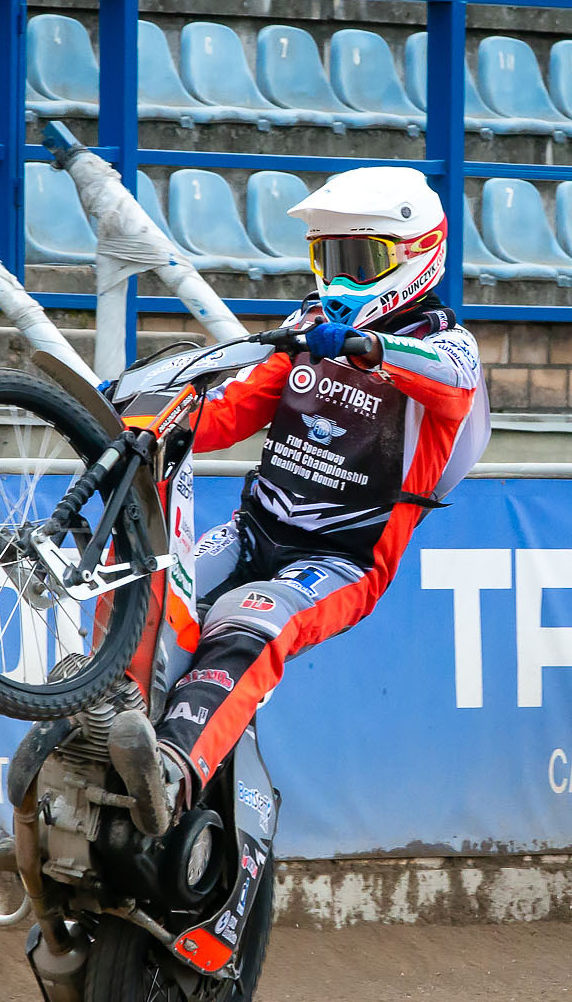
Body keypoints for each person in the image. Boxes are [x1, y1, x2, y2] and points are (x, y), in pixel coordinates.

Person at [109, 166, 489, 836]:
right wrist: (145, 414)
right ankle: (90, 742)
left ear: (417, 253)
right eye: (328, 259)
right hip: (252, 532)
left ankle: (169, 770)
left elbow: (449, 383)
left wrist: (370, 348)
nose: (339, 279)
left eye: (359, 260)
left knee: (246, 622)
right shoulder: (307, 328)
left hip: (343, 562)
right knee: (147, 593)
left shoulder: (447, 347)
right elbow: (228, 411)